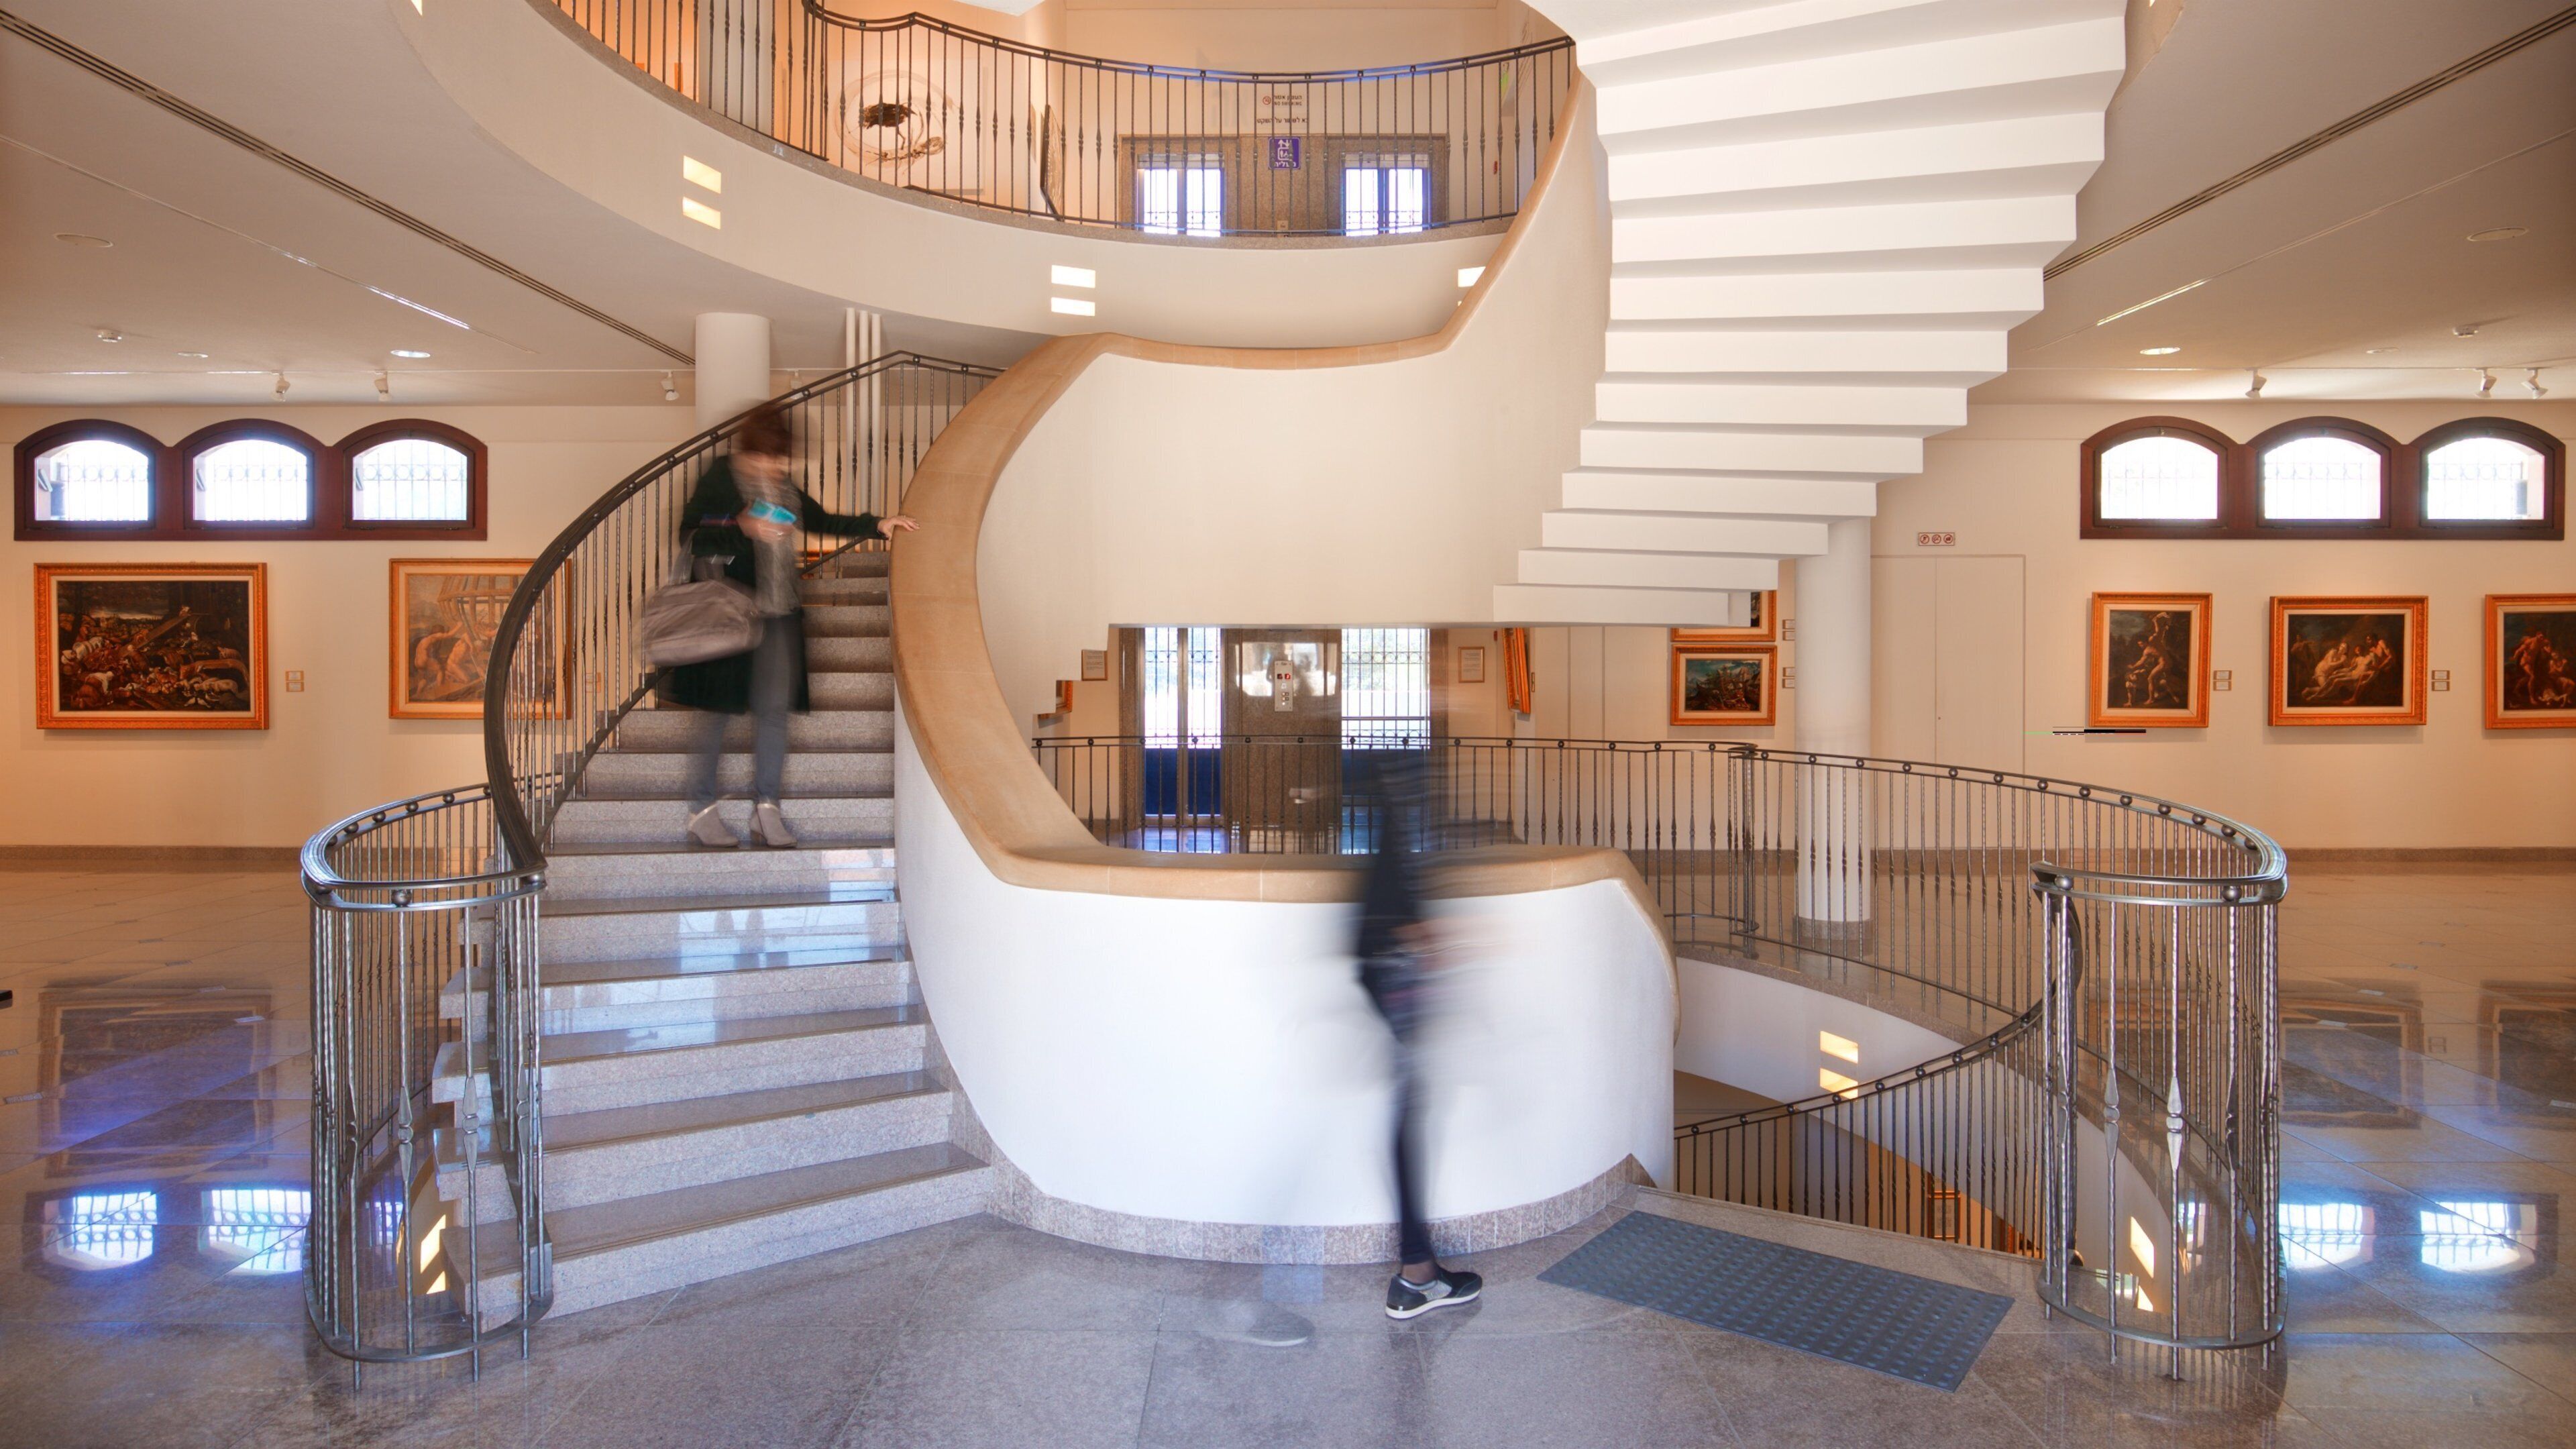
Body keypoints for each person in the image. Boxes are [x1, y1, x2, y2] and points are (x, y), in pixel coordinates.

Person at [661, 403, 917, 849]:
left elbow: (818, 520)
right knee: (717, 713)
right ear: (748, 450)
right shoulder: (722, 477)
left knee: (775, 714)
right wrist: (744, 527)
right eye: (767, 457)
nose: (775, 467)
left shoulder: (782, 483)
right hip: (730, 612)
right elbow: (690, 533)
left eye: (781, 459)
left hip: (781, 614)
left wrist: (878, 524)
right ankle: (701, 812)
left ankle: (767, 810)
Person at [1353, 752, 1481, 1320]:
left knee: (1410, 1111)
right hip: (1393, 966)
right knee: (1408, 1116)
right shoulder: (1405, 796)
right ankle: (1416, 1274)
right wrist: (1427, 940)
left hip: (1387, 965)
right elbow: (1392, 896)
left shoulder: (1398, 800)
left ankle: (1418, 1268)